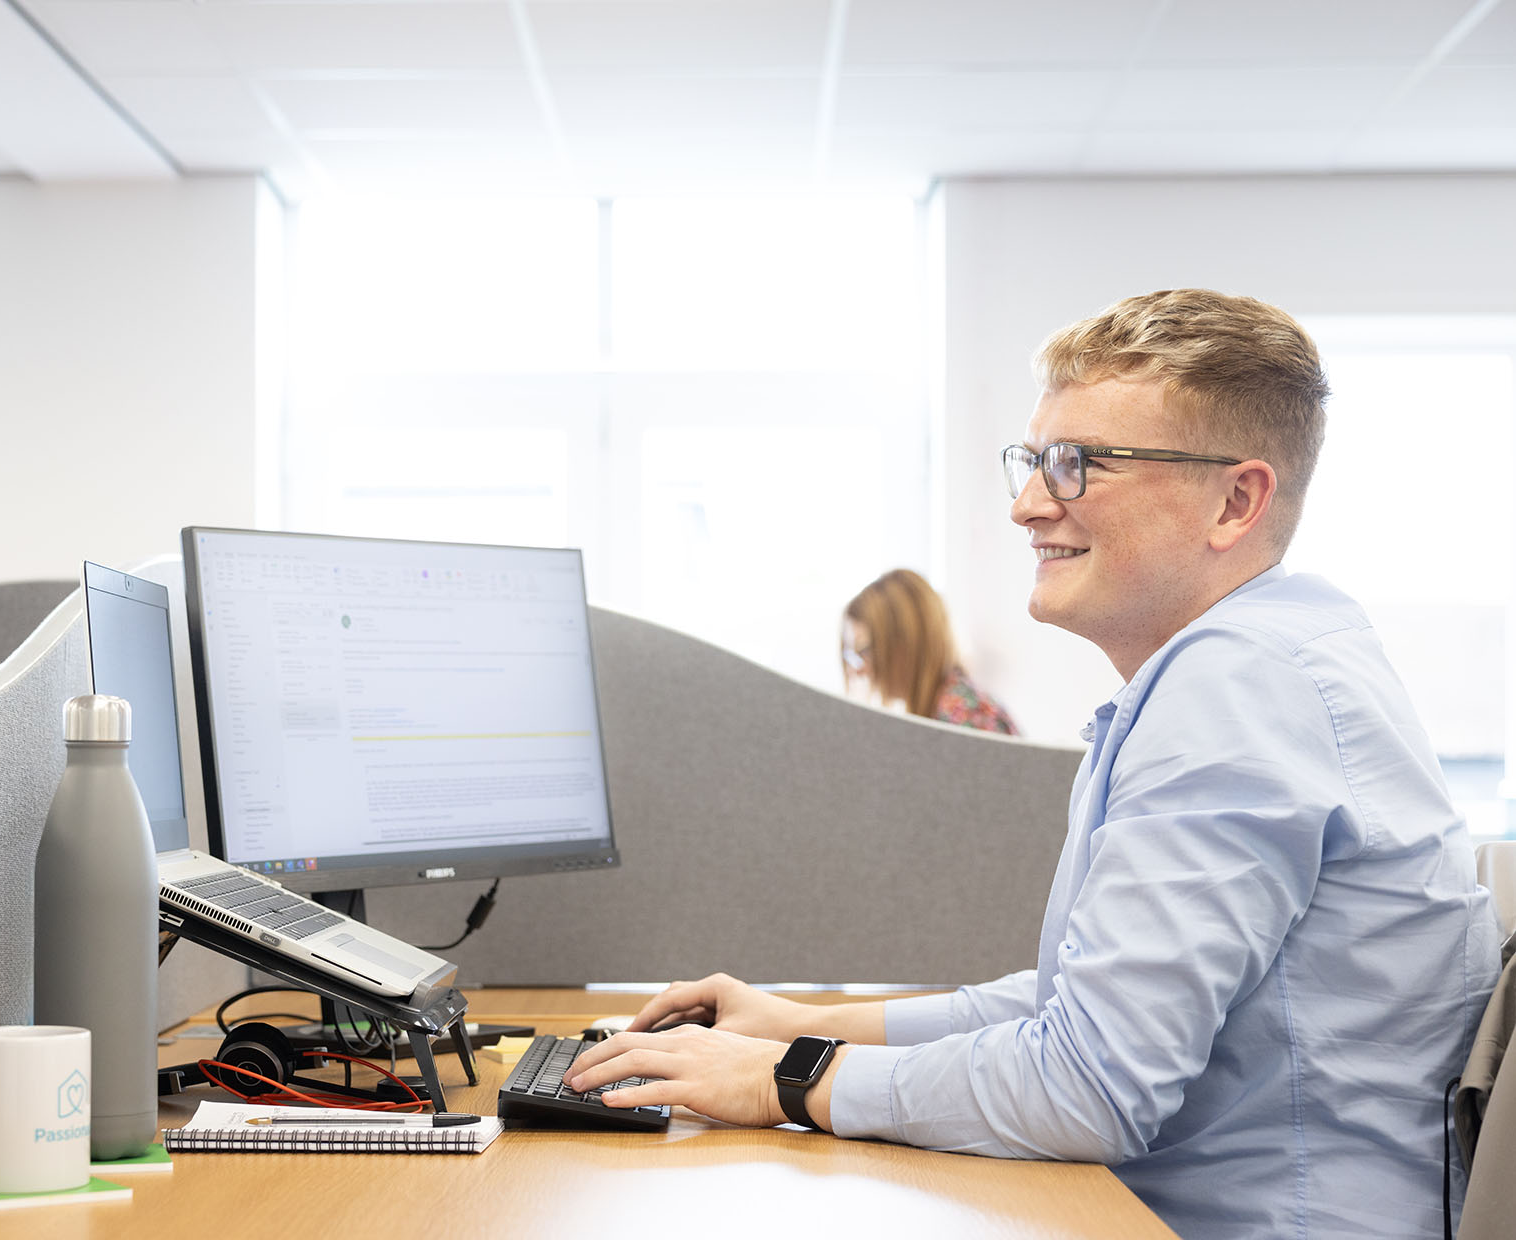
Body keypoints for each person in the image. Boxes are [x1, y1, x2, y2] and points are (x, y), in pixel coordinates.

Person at [566, 289, 1502, 1239]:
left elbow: (1089, 1087)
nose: (1025, 504)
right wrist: (800, 1025)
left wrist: (784, 1080)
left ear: (1235, 500)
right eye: (1032, 459)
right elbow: (1075, 1005)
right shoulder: (1279, 651)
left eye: (1079, 464)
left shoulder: (1237, 687)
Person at [842, 567, 1017, 734]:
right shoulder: (947, 710)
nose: (856, 669)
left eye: (864, 651)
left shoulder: (963, 718)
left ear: (904, 644)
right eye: (852, 655)